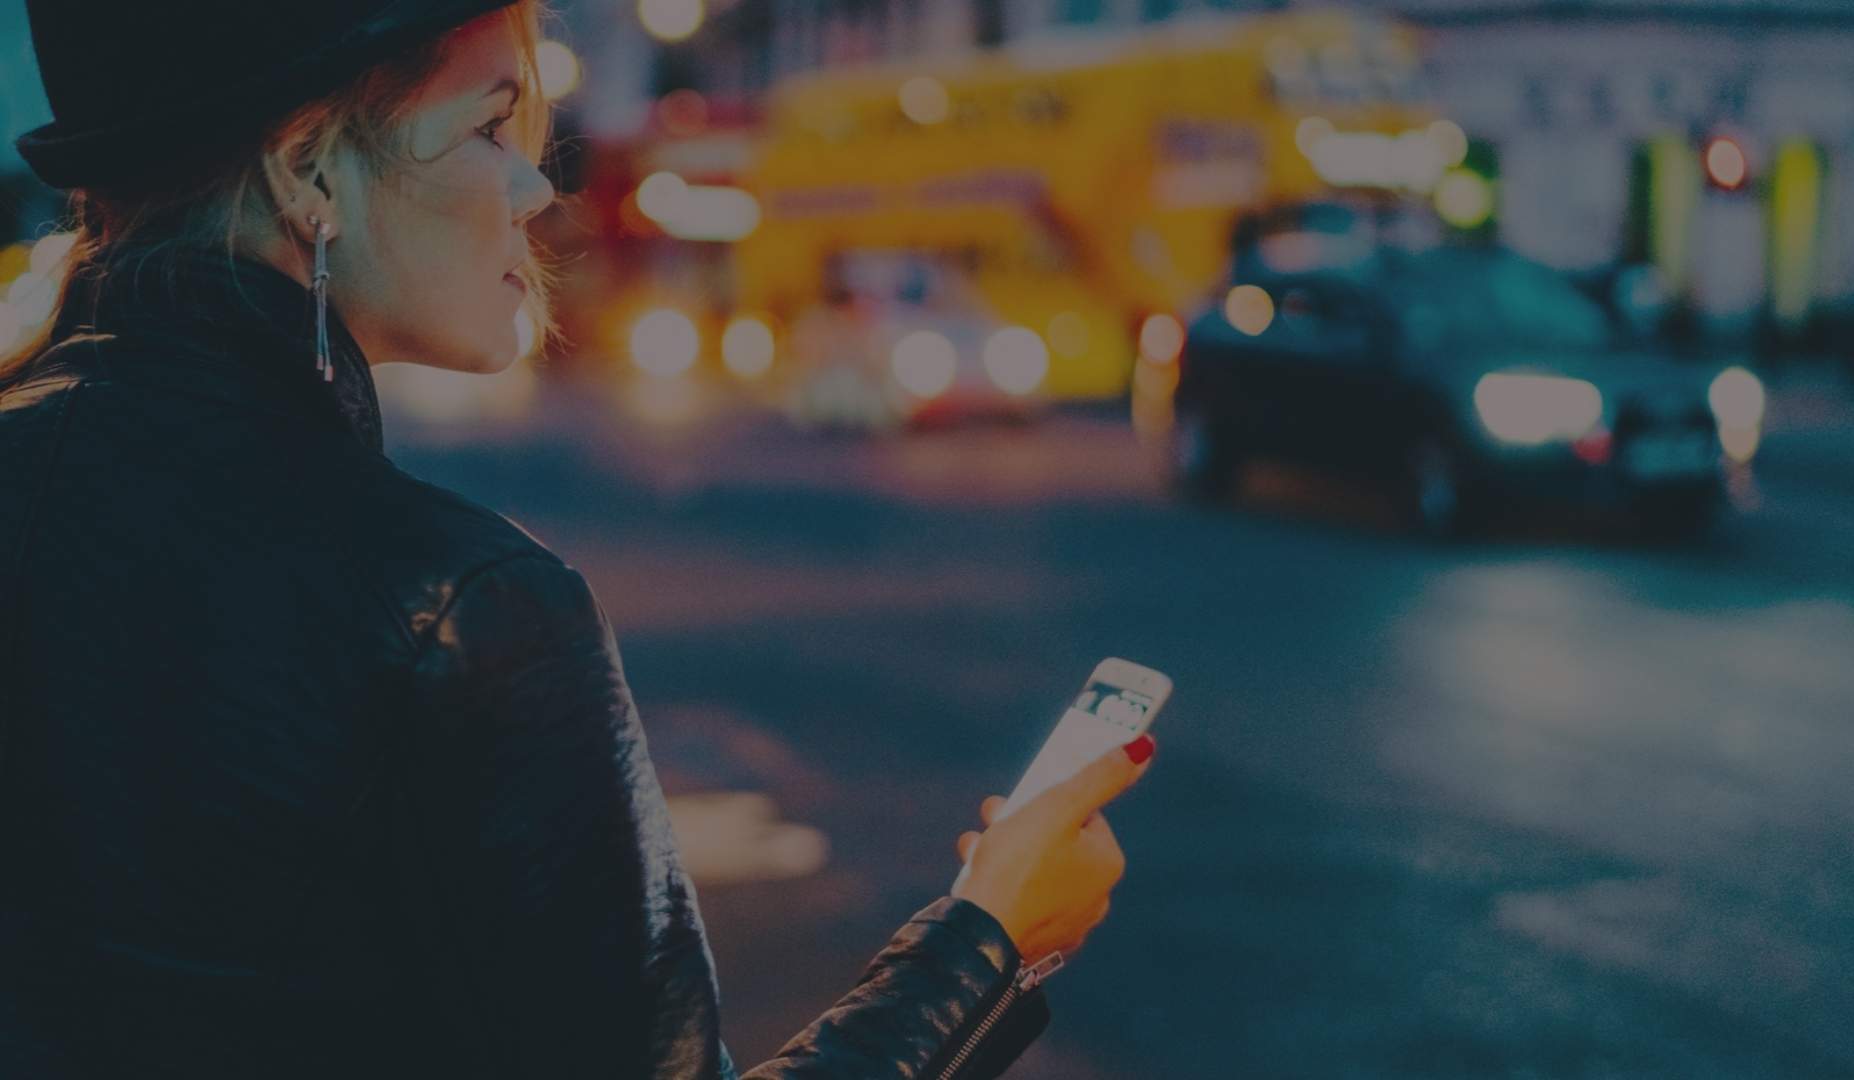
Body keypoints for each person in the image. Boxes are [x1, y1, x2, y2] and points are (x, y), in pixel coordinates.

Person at [0, 2, 1155, 1076]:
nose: (534, 190)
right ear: (310, 169)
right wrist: (990, 938)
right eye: (492, 124)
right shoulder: (465, 606)